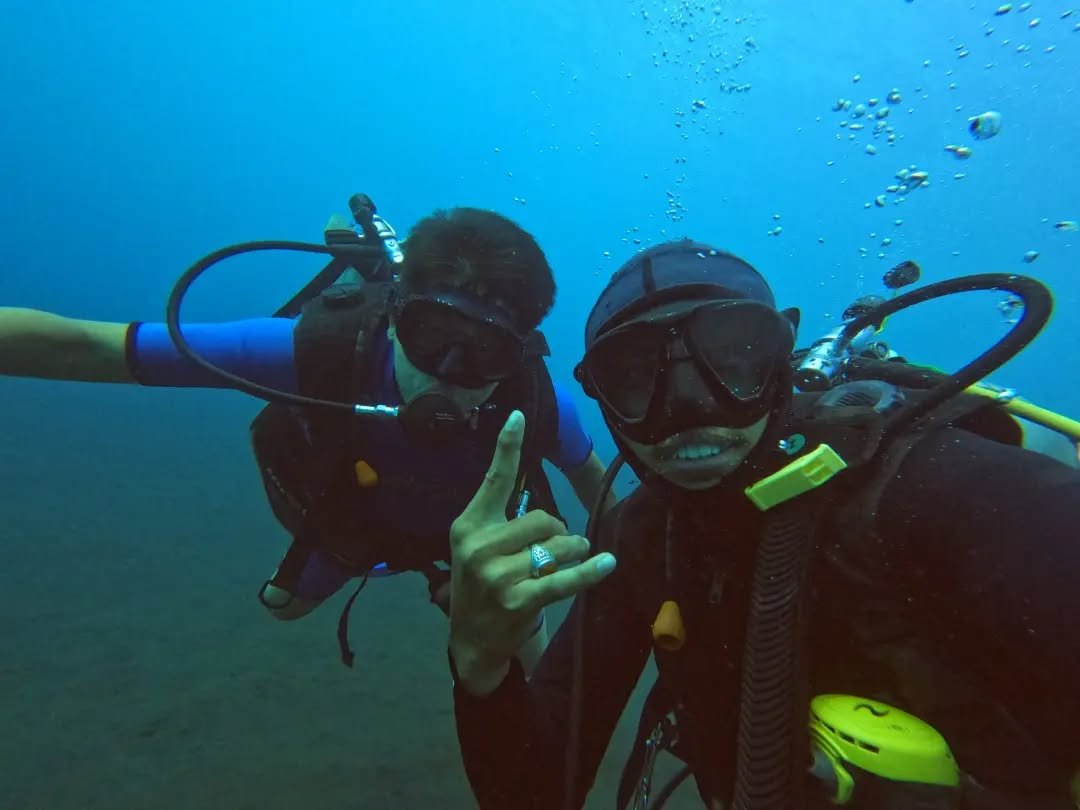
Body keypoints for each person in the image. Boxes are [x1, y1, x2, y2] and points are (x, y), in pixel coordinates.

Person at [447, 240, 1080, 809]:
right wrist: (481, 667)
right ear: (601, 397)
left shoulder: (946, 490)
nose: (688, 408)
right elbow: (535, 793)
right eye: (635, 377)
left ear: (783, 355)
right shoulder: (642, 538)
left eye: (732, 359)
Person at [0, 206, 615, 669]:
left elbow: (600, 494)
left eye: (486, 353)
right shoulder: (322, 352)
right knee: (283, 607)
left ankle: (457, 587)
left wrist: (627, 565)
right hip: (354, 521)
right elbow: (87, 346)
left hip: (481, 545)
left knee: (526, 660)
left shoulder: (537, 405)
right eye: (430, 335)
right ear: (394, 319)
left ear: (518, 357)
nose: (448, 374)